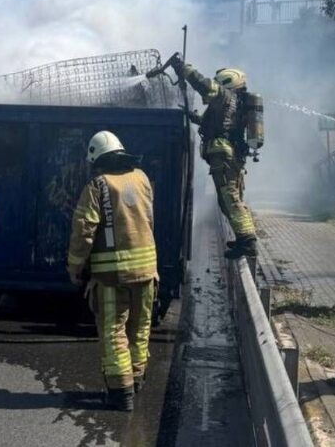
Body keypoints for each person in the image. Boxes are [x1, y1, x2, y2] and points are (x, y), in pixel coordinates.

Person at [67, 131, 157, 412]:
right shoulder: (142, 178)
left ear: (97, 158)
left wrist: (75, 266)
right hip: (147, 272)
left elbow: (84, 230)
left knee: (114, 331)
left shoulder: (98, 186)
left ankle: (121, 392)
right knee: (140, 329)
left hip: (111, 276)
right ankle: (137, 379)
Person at [172, 55, 257, 258]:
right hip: (230, 154)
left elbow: (202, 84)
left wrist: (183, 68)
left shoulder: (224, 95)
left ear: (226, 82)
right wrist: (192, 116)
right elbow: (215, 124)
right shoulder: (234, 102)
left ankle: (248, 242)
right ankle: (243, 239)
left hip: (223, 154)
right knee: (227, 199)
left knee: (229, 197)